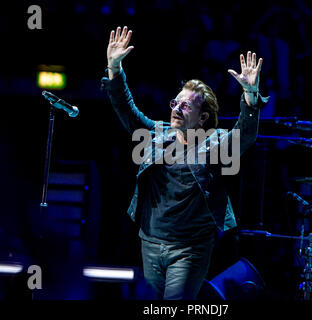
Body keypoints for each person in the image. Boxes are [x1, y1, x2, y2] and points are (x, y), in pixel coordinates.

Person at [100, 26, 268, 300]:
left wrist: (250, 97)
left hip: (190, 249)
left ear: (202, 118)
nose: (176, 109)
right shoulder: (157, 135)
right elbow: (127, 111)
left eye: (186, 106)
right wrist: (114, 68)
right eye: (175, 103)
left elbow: (245, 135)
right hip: (150, 242)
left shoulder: (214, 144)